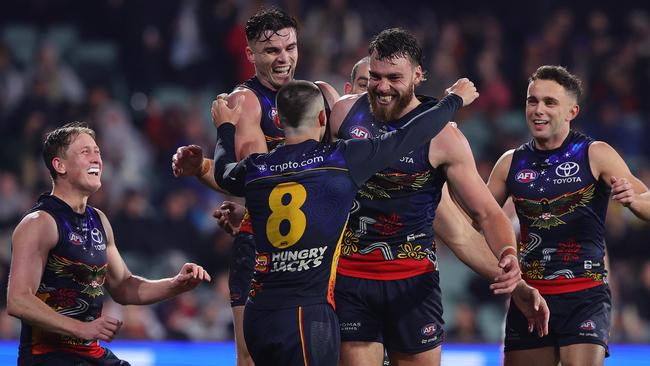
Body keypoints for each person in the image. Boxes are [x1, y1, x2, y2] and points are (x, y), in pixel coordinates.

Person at [211, 78, 477, 366]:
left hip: (258, 313)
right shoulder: (340, 159)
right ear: (323, 118)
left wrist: (225, 128)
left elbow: (223, 173)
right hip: (307, 313)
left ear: (280, 120)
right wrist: (453, 101)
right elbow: (409, 136)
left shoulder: (257, 167)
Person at [326, 27, 539, 366]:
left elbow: (485, 212)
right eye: (376, 77)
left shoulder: (445, 139)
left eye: (394, 77)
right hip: (353, 280)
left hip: (413, 284)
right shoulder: (344, 114)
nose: (381, 87)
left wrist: (508, 254)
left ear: (418, 75)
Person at [171, 8, 339, 365]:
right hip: (265, 246)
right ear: (250, 54)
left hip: (317, 242)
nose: (284, 58)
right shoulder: (246, 101)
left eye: (290, 48)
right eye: (271, 51)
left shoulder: (319, 94)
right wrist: (210, 170)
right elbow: (253, 179)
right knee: (251, 358)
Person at [7, 123, 211, 366]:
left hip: (90, 354)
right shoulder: (39, 222)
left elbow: (124, 287)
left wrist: (176, 285)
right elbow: (18, 299)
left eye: (97, 152)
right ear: (59, 165)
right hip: (48, 358)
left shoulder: (99, 221)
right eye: (85, 152)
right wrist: (80, 329)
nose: (97, 159)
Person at [487, 65, 650, 366]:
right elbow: (479, 218)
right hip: (530, 298)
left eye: (550, 102)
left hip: (585, 296)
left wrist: (636, 205)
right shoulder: (509, 164)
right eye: (532, 101)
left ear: (572, 111)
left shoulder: (595, 154)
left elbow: (646, 199)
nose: (538, 110)